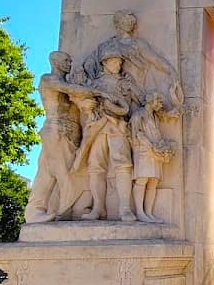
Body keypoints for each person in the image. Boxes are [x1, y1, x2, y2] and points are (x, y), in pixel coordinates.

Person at [25, 52, 92, 223]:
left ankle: (37, 211)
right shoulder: (48, 79)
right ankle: (62, 210)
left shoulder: (66, 83)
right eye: (66, 60)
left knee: (49, 172)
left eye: (70, 59)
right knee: (61, 173)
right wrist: (98, 90)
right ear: (55, 62)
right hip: (56, 129)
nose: (70, 62)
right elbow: (71, 90)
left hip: (68, 133)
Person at [70, 53, 138, 221]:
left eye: (121, 62)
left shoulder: (125, 83)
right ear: (105, 63)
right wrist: (86, 105)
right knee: (95, 166)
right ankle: (98, 207)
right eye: (115, 61)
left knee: (123, 165)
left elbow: (139, 100)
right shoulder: (95, 84)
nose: (119, 65)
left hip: (118, 126)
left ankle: (124, 209)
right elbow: (81, 101)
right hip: (97, 127)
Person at [129, 93, 175, 223]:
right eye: (158, 102)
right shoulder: (138, 115)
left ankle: (148, 213)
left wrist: (162, 147)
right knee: (142, 180)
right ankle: (140, 212)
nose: (160, 105)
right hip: (143, 151)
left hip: (154, 152)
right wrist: (151, 145)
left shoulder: (153, 116)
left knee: (153, 182)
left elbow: (156, 134)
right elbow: (137, 133)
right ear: (152, 101)